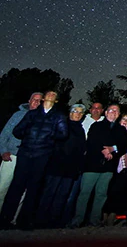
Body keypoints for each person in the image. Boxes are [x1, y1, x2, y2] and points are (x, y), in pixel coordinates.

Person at [0, 91, 68, 230]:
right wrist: (29, 134)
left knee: (33, 189)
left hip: (42, 155)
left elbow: (63, 134)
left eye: (53, 95)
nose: (50, 95)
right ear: (44, 98)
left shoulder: (58, 116)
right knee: (16, 187)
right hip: (25, 153)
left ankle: (24, 221)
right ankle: (5, 219)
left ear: (56, 100)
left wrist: (48, 136)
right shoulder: (31, 114)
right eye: (48, 93)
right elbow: (17, 131)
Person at [71, 104, 127, 228]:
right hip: (92, 164)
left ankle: (95, 219)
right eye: (111, 110)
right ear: (106, 112)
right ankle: (78, 219)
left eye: (116, 111)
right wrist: (103, 150)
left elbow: (123, 145)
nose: (113, 112)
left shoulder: (121, 129)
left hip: (109, 166)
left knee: (101, 193)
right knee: (85, 193)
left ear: (119, 115)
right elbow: (92, 141)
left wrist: (112, 149)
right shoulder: (96, 126)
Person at [36, 103, 86, 229]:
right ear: (70, 113)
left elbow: (80, 149)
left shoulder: (80, 129)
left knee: (62, 194)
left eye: (81, 112)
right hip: (56, 165)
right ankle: (40, 220)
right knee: (49, 192)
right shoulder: (62, 124)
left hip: (71, 168)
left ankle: (55, 220)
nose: (78, 114)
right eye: (75, 111)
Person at [0, 92, 42, 208]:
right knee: (2, 187)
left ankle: (13, 219)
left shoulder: (42, 119)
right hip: (12, 156)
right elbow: (4, 134)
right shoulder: (18, 115)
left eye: (39, 101)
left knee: (23, 191)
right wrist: (3, 150)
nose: (36, 102)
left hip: (29, 159)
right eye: (34, 99)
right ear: (29, 101)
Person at [102, 112, 127, 225]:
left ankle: (114, 213)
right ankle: (105, 212)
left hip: (126, 165)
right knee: (109, 189)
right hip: (113, 163)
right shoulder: (114, 131)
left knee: (120, 190)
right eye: (124, 119)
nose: (125, 121)